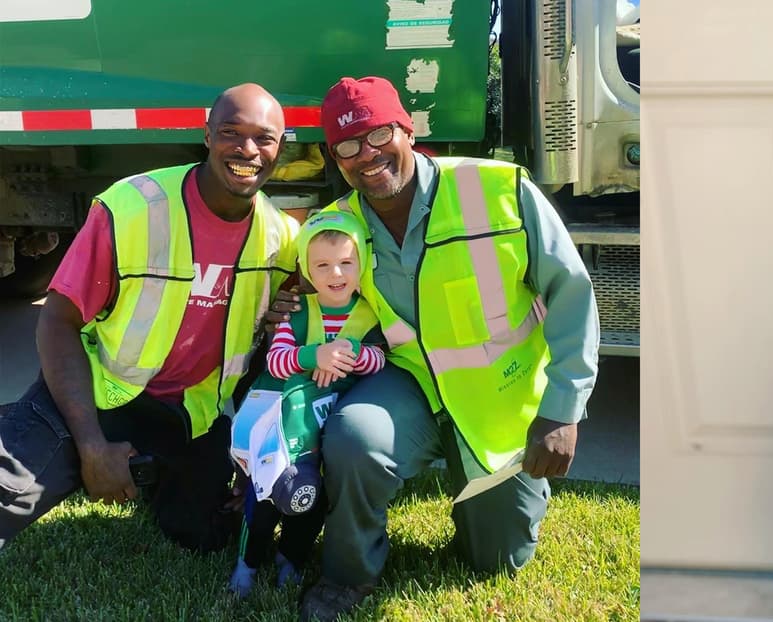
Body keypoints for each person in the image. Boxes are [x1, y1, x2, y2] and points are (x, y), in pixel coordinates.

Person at [265, 76, 599, 620]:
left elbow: (570, 294)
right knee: (354, 440)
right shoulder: (339, 226)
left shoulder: (497, 189)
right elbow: (307, 273)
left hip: (499, 393)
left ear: (408, 128)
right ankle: (347, 574)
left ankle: (482, 498)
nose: (367, 156)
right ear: (334, 156)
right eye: (348, 147)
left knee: (496, 561)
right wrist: (287, 297)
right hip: (411, 384)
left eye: (378, 136)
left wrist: (563, 408)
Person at [0, 84, 299, 553]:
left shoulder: (284, 238)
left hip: (190, 416)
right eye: (230, 133)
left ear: (282, 147)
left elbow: (275, 354)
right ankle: (61, 441)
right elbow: (57, 322)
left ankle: (156, 476)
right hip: (101, 394)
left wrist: (251, 456)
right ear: (206, 135)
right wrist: (93, 447)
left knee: (204, 535)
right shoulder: (133, 207)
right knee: (8, 493)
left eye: (264, 138)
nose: (247, 150)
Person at [228, 210, 386, 597]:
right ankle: (247, 564)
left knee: (310, 502)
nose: (336, 274)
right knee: (263, 500)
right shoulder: (298, 311)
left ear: (360, 266)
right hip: (281, 430)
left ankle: (291, 558)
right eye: (324, 265)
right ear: (306, 271)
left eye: (346, 263)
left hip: (326, 430)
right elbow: (276, 361)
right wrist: (314, 355)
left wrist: (351, 353)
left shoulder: (369, 315)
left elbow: (381, 360)